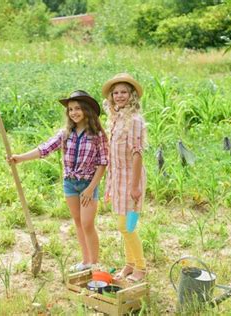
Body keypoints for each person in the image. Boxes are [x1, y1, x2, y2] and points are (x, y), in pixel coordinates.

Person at [8, 90, 108, 272]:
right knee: (78, 222)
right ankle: (85, 261)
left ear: (87, 110)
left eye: (78, 108)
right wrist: (20, 158)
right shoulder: (65, 133)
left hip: (87, 184)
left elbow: (102, 163)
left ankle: (94, 263)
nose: (74, 113)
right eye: (70, 109)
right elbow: (45, 149)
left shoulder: (97, 134)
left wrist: (91, 187)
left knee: (87, 224)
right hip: (70, 183)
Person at [102, 73, 147, 282]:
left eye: (124, 92)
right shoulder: (116, 118)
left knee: (127, 226)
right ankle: (129, 264)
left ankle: (141, 267)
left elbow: (137, 153)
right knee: (122, 225)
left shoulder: (135, 120)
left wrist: (135, 186)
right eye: (116, 92)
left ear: (131, 96)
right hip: (118, 179)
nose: (119, 96)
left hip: (132, 180)